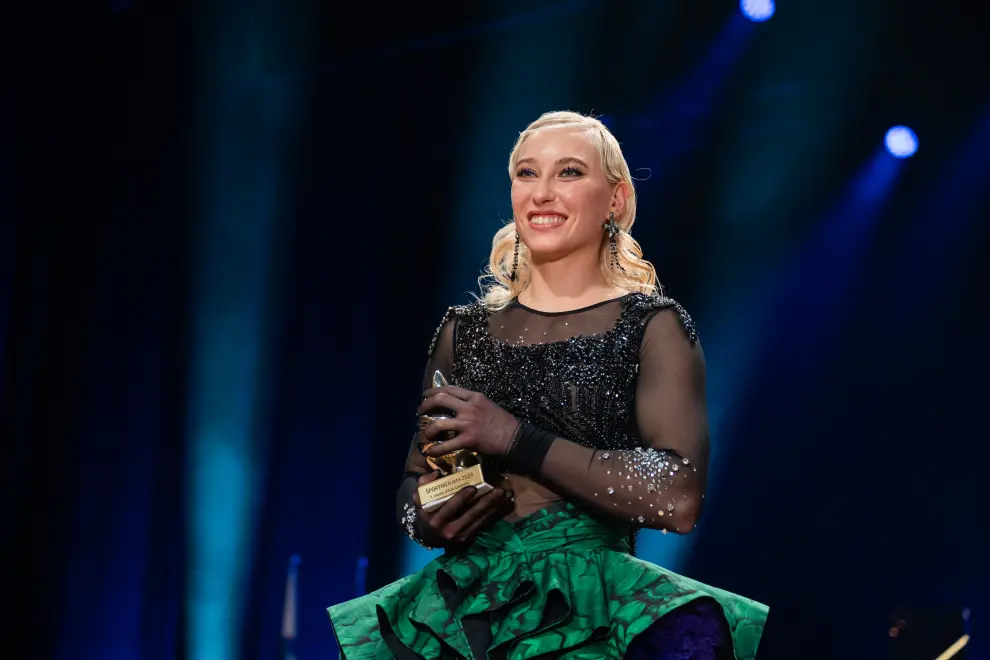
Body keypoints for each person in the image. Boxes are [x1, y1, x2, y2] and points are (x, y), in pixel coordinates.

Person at [327, 110, 769, 659]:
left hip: (594, 609)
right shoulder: (461, 332)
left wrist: (516, 439)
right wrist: (428, 513)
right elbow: (415, 490)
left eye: (569, 173)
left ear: (616, 199)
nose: (542, 192)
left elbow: (675, 496)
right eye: (527, 173)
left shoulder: (652, 326)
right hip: (461, 613)